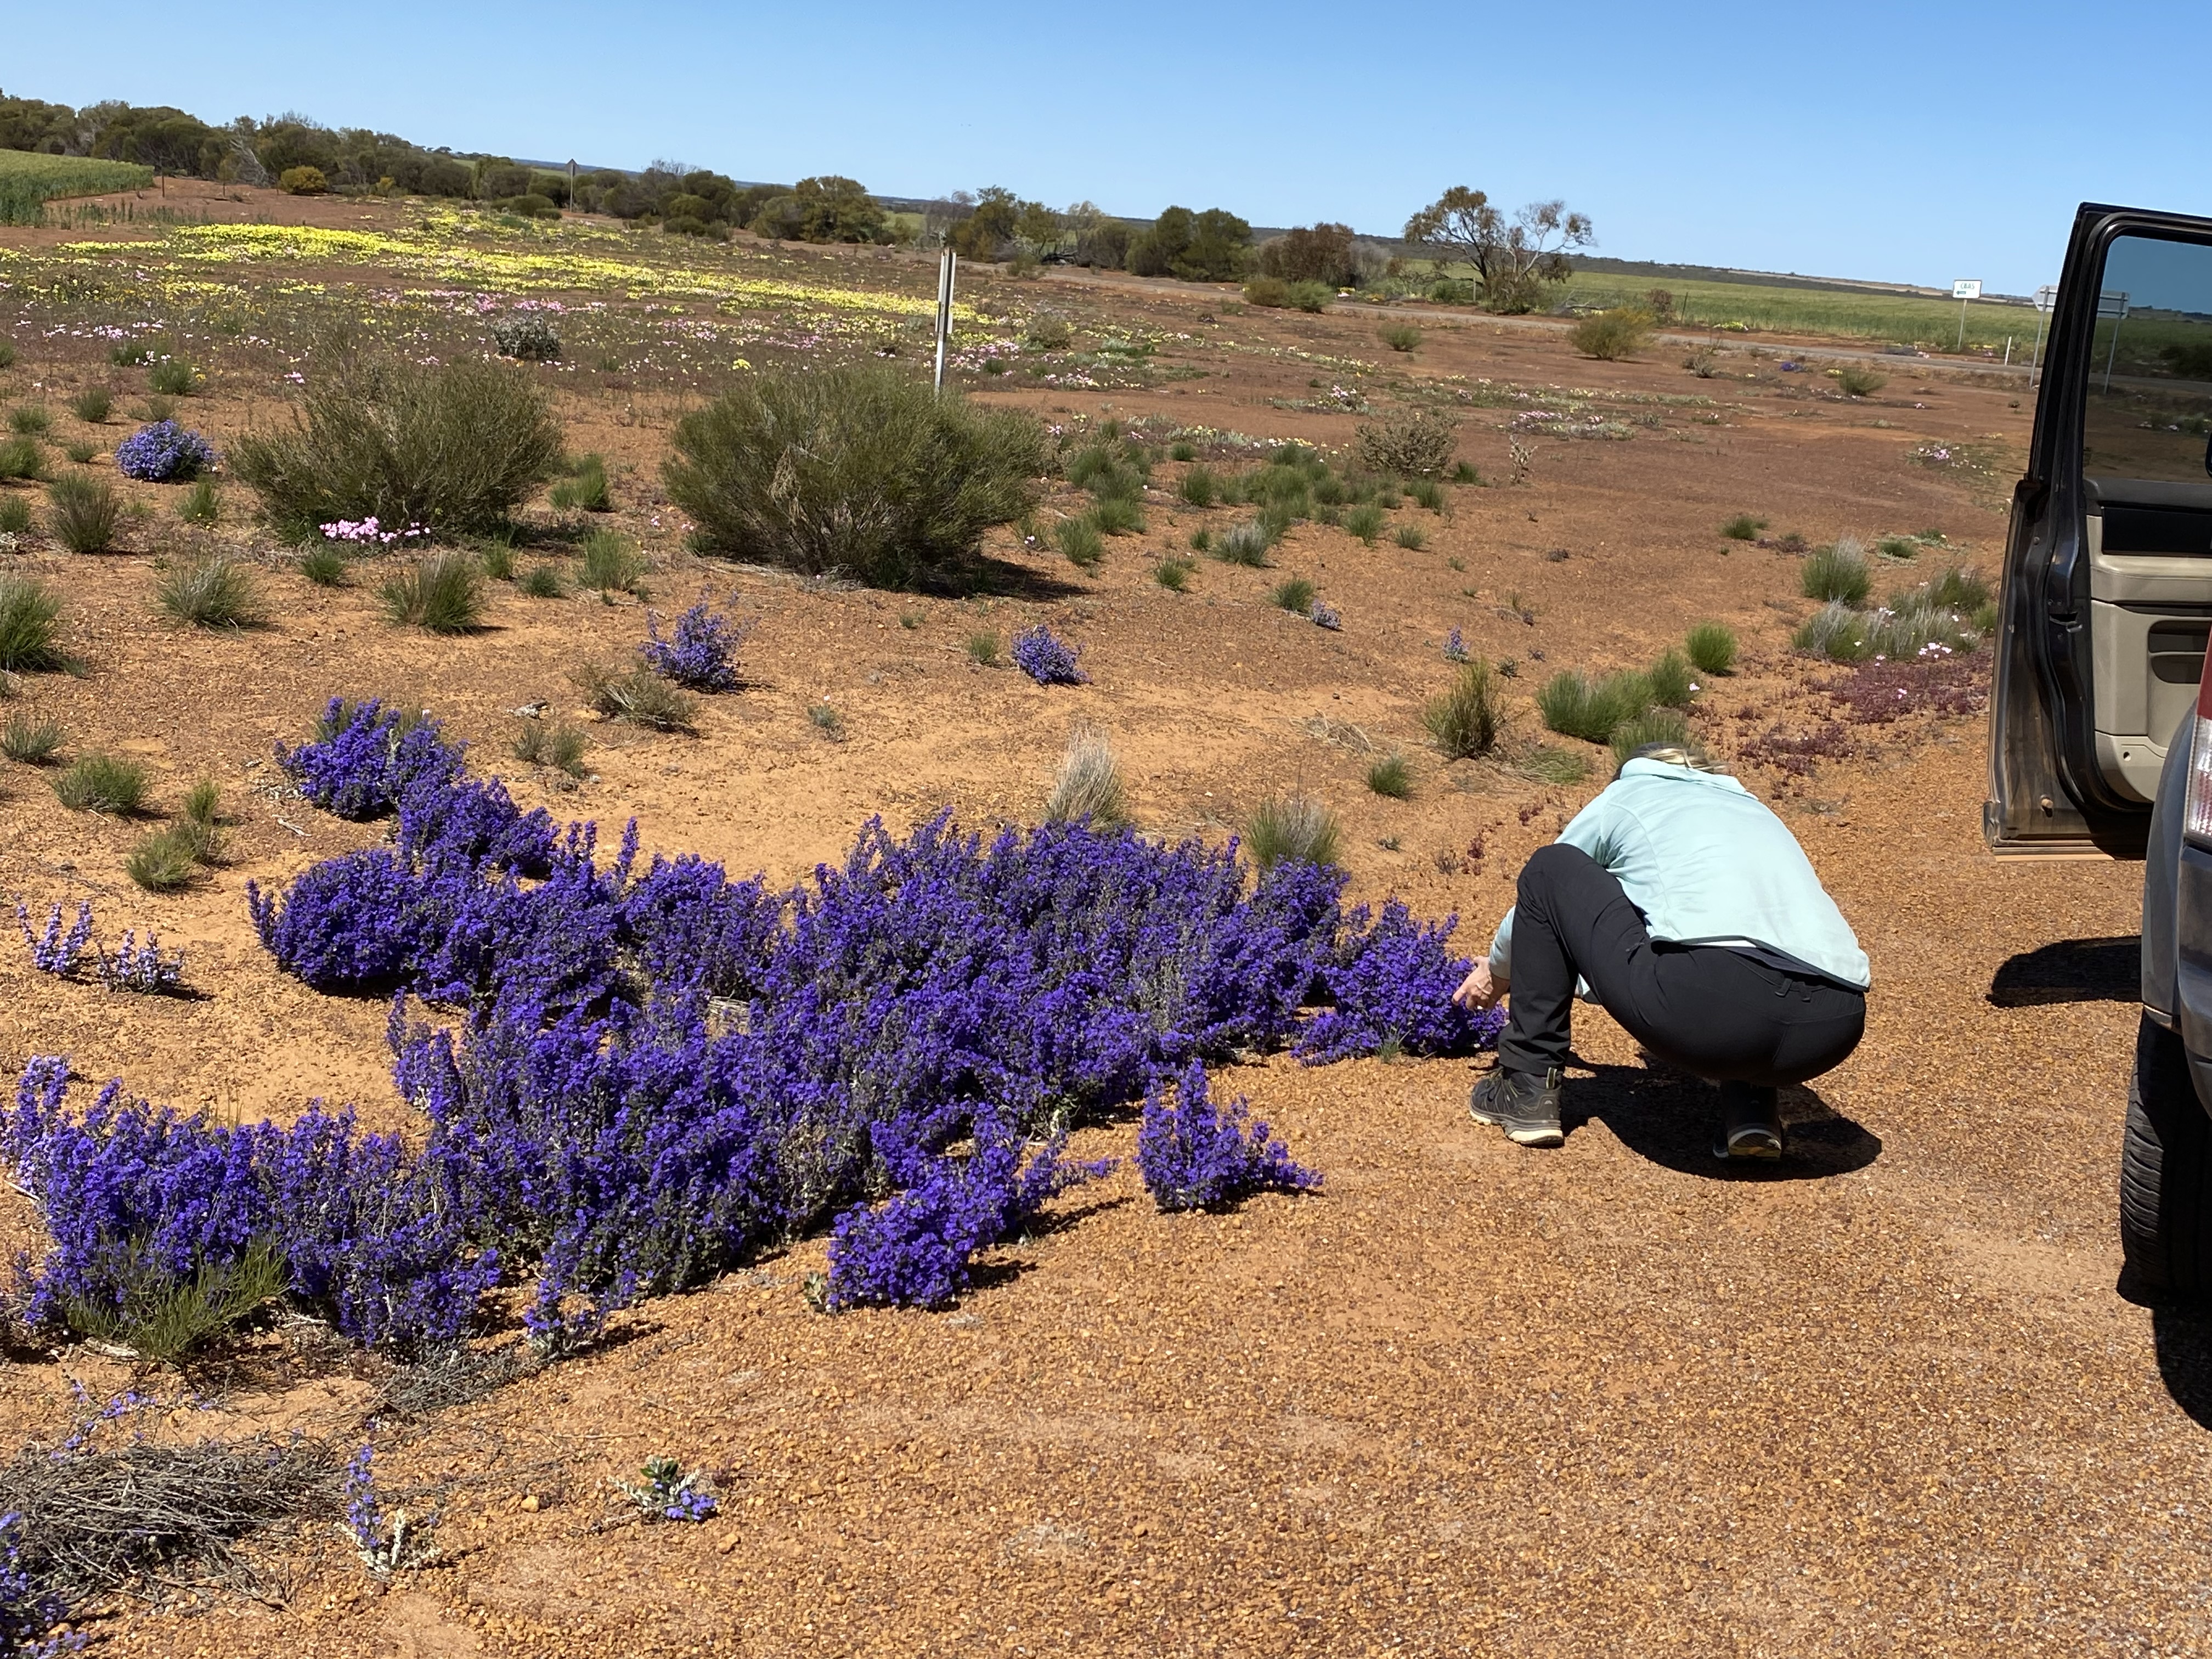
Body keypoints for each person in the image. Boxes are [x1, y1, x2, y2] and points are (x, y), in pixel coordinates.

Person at [1452, 744, 1869, 1159]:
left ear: (1630, 772)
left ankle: (1526, 1087)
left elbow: (1550, 896)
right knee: (1733, 943)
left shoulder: (1626, 797)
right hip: (1832, 1025)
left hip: (1714, 1011)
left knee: (1550, 868)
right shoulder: (1756, 811)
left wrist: (1497, 970)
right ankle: (1753, 1115)